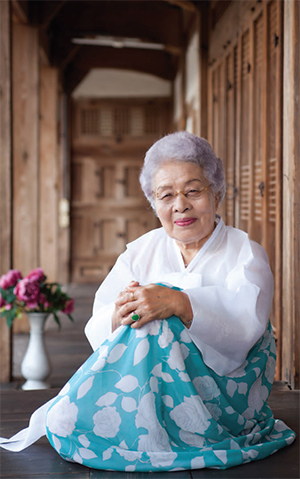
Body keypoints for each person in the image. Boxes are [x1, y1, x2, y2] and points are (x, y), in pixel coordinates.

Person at [0, 132, 296, 471]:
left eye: (193, 190)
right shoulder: (141, 251)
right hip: (148, 386)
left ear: (217, 191)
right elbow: (99, 323)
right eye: (166, 195)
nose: (180, 205)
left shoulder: (245, 252)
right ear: (154, 204)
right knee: (141, 314)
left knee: (159, 314)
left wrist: (179, 304)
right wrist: (121, 313)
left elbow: (246, 329)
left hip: (223, 394)